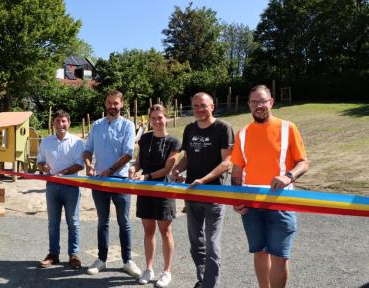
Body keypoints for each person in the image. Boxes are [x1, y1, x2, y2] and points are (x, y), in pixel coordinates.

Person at [231, 85, 309, 288]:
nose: (259, 105)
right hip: (251, 206)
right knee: (259, 252)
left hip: (281, 203)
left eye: (262, 101)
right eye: (254, 102)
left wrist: (288, 176)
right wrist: (236, 199)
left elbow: (303, 163)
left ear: (271, 102)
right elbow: (237, 171)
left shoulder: (287, 128)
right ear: (249, 105)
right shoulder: (243, 133)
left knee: (280, 257)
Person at [171, 92, 234, 288]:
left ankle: (210, 285)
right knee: (195, 242)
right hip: (192, 193)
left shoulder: (223, 128)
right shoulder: (190, 129)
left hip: (214, 194)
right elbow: (187, 157)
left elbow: (228, 162)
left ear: (212, 106)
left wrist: (204, 180)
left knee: (212, 244)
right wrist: (177, 169)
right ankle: (203, 279)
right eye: (196, 105)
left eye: (203, 105)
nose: (199, 109)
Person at [83, 90, 142, 277]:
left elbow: (128, 154)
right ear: (105, 103)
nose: (112, 106)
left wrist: (111, 169)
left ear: (122, 104)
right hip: (100, 181)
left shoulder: (128, 125)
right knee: (103, 222)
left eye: (116, 103)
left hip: (121, 180)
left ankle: (127, 261)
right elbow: (88, 150)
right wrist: (88, 165)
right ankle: (101, 260)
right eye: (109, 103)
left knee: (124, 222)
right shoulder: (97, 125)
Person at [128, 104, 181, 287]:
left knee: (165, 231)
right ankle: (148, 268)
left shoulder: (174, 142)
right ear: (149, 121)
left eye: (160, 117)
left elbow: (168, 168)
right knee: (148, 231)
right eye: (153, 118)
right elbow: (139, 161)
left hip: (164, 188)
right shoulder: (144, 138)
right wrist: (133, 169)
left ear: (166, 118)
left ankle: (166, 271)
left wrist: (147, 176)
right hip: (145, 189)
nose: (157, 121)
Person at [37, 110, 85, 270]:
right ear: (53, 123)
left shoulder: (77, 142)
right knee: (53, 223)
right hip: (52, 187)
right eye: (57, 121)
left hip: (71, 186)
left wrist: (63, 173)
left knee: (73, 222)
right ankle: (53, 255)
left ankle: (74, 255)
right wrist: (43, 168)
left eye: (64, 121)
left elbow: (80, 164)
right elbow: (40, 162)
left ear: (69, 123)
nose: (61, 124)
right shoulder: (45, 142)